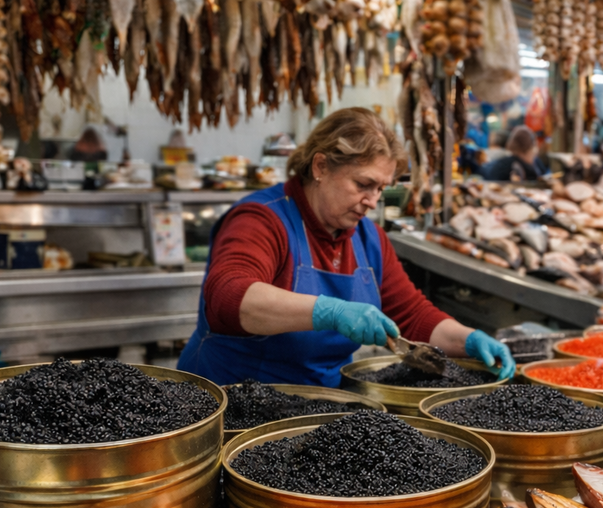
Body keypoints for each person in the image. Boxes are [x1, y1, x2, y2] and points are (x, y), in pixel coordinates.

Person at [179, 108, 515, 387]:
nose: (373, 201)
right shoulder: (261, 220)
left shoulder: (368, 238)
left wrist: (469, 339)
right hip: (232, 407)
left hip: (317, 409)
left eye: (381, 189)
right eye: (363, 184)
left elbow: (411, 315)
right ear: (320, 167)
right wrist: (330, 312)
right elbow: (227, 297)